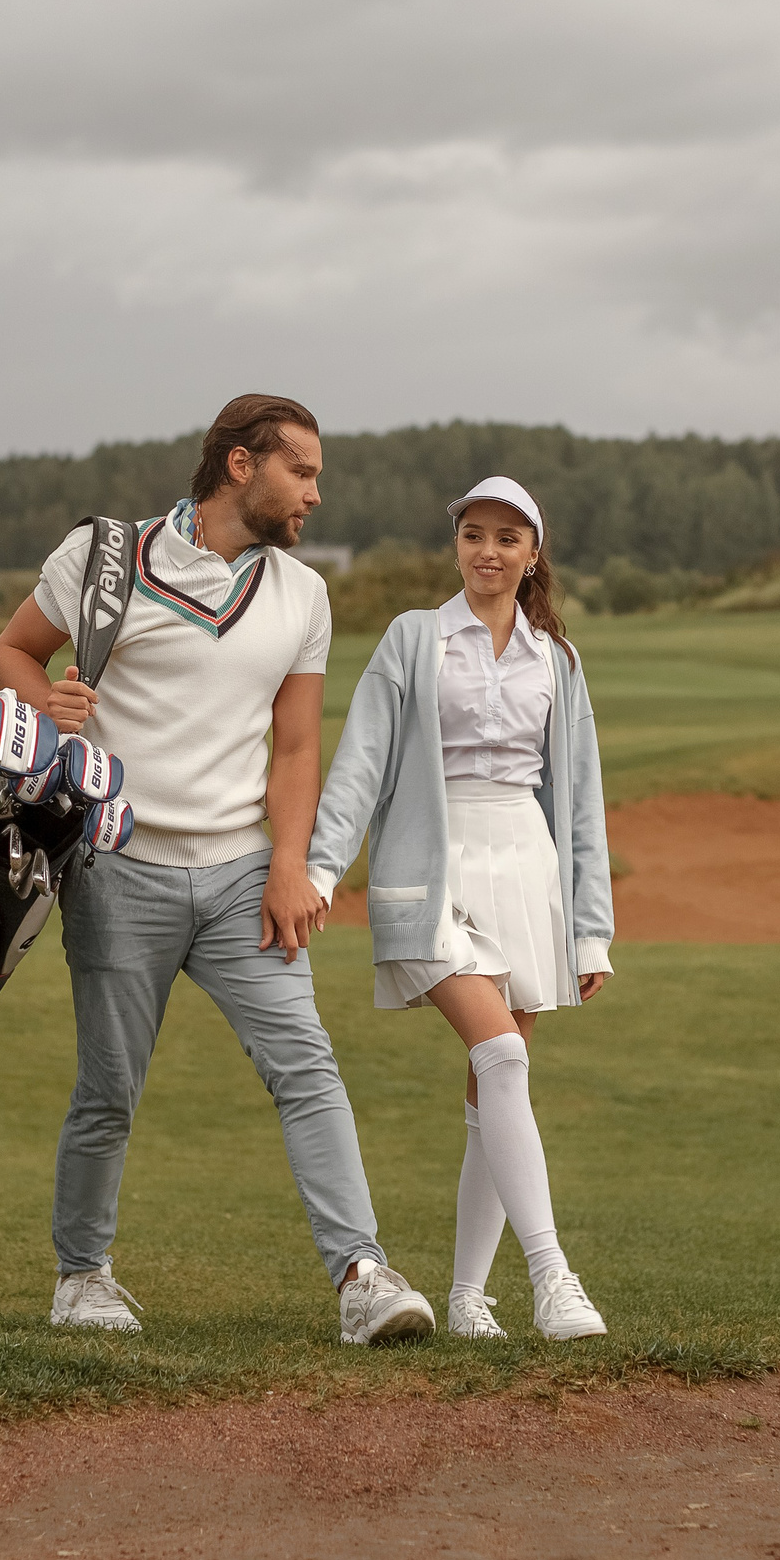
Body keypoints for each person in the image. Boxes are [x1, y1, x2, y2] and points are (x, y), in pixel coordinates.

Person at [0, 393, 436, 1346]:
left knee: (306, 1067)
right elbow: (11, 653)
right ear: (242, 466)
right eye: (301, 471)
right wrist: (52, 707)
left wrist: (296, 868)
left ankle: (362, 1276)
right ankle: (81, 1277)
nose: (315, 492)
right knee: (109, 1087)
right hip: (115, 870)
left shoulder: (302, 595)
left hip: (244, 879)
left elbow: (300, 748)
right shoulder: (106, 559)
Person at [306, 475, 615, 1341]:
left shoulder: (558, 658)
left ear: (532, 553)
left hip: (528, 870)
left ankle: (470, 1297)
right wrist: (322, 869)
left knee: (493, 1084)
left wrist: (590, 929)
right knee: (503, 1054)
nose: (488, 551)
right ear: (458, 546)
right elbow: (361, 763)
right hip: (429, 875)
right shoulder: (413, 638)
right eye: (473, 535)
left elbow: (580, 799)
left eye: (506, 539)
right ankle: (555, 1278)